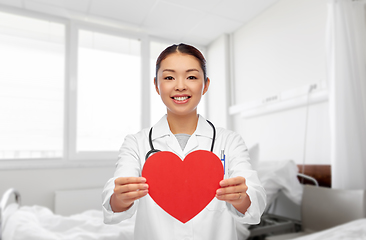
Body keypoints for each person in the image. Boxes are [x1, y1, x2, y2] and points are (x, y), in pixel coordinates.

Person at [102, 43, 266, 240]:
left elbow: (254, 200)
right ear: (156, 85)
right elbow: (114, 200)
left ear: (205, 85)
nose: (180, 85)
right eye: (169, 77)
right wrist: (120, 198)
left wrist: (241, 198)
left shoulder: (229, 141)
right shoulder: (136, 143)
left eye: (191, 77)